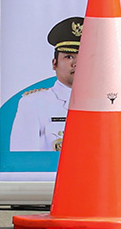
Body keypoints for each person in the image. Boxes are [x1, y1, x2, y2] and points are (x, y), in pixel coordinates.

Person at [8, 16, 81, 152]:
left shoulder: (107, 104)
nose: (76, 63)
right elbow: (24, 160)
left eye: (83, 56)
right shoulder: (33, 104)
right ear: (54, 64)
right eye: (69, 56)